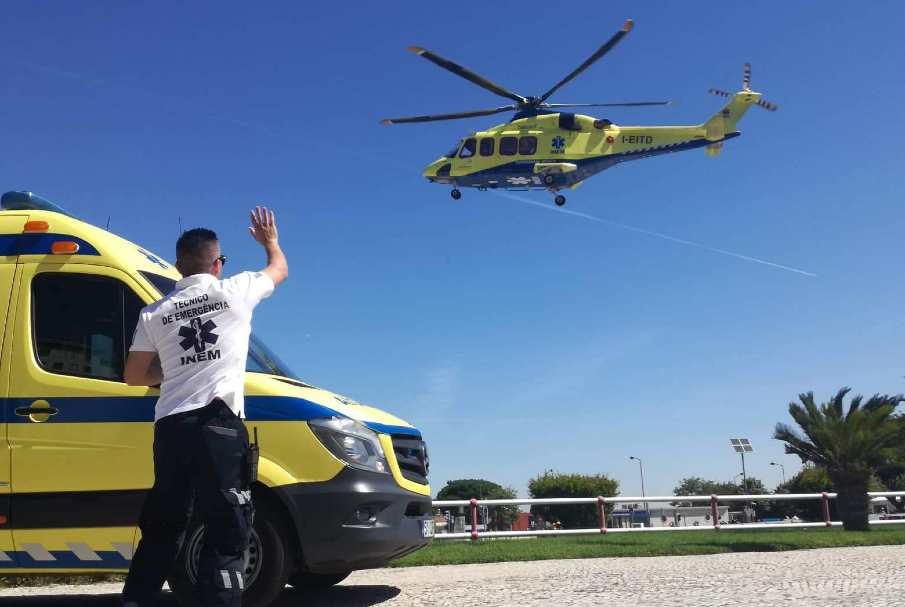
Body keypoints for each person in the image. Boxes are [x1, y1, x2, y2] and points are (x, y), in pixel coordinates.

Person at [120, 207, 288, 607]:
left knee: (163, 524)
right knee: (227, 526)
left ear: (178, 264)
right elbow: (279, 269)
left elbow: (133, 376)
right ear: (218, 264)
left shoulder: (153, 313)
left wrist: (173, 372)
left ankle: (135, 601)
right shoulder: (235, 290)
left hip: (171, 427)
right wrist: (271, 243)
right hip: (217, 424)